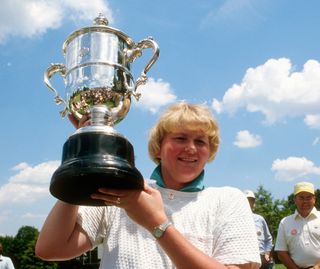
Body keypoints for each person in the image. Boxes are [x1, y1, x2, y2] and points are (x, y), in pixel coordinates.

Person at [36, 102, 261, 268]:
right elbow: (50, 248)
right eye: (180, 138)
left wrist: (156, 223)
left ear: (210, 152)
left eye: (200, 141)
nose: (191, 148)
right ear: (157, 148)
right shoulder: (122, 193)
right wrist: (85, 160)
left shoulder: (227, 199)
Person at [275, 181, 320, 269]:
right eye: (301, 198)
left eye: (309, 197)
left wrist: (317, 266)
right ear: (294, 200)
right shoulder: (285, 222)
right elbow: (281, 252)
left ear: (314, 199)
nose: (305, 201)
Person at [244, 190, 274, 269]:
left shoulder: (260, 219)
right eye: (246, 200)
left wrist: (267, 253)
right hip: (245, 259)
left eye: (251, 200)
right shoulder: (236, 220)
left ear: (254, 203)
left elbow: (268, 239)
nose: (248, 203)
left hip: (261, 258)